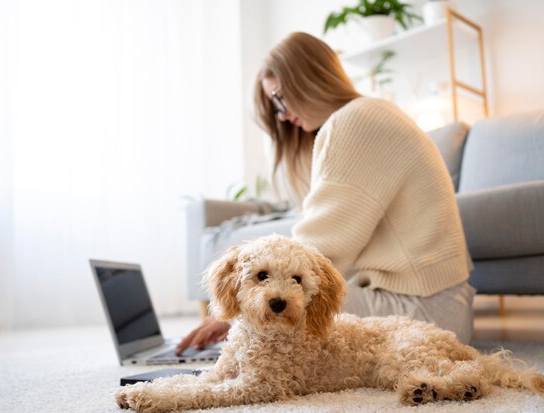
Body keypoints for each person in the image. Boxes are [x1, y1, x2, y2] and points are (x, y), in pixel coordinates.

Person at [177, 31, 475, 354]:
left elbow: (317, 252)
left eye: (278, 97)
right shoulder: (369, 113)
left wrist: (235, 310)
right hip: (441, 304)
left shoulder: (354, 121)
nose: (280, 114)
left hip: (422, 311)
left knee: (267, 315)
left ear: (305, 79)